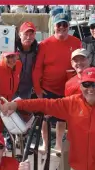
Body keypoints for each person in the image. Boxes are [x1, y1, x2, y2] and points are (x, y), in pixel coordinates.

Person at [33, 12, 81, 154]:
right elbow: (37, 69)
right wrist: (38, 90)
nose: (62, 27)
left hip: (67, 90)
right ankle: (45, 144)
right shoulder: (45, 44)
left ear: (68, 26)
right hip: (47, 89)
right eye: (58, 24)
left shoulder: (76, 42)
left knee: (62, 119)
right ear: (54, 26)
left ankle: (59, 144)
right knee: (45, 119)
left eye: (64, 24)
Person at [14, 21, 39, 100]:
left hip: (27, 89)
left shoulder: (38, 50)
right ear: (20, 34)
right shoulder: (11, 49)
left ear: (35, 35)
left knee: (23, 111)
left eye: (31, 34)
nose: (28, 37)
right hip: (11, 88)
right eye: (25, 34)